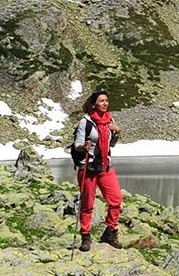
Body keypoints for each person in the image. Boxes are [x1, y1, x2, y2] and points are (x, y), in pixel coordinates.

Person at [71, 88, 124, 251]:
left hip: (105, 166)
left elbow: (111, 144)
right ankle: (85, 236)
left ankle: (110, 231)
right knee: (87, 203)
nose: (105, 103)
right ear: (94, 104)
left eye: (106, 101)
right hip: (88, 166)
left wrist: (116, 133)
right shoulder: (85, 122)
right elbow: (77, 144)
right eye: (101, 101)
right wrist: (83, 146)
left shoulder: (109, 120)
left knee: (116, 200)